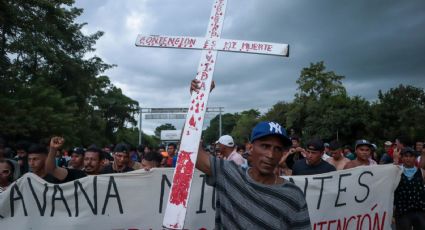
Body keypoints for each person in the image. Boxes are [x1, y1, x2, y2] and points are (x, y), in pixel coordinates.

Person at [196, 121, 311, 229]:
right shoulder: (229, 173)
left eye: (278, 149)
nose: (271, 155)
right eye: (265, 146)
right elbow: (193, 152)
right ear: (250, 148)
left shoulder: (294, 196)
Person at [393, 147, 425, 229]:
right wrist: (395, 160)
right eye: (405, 156)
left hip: (419, 210)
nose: (408, 158)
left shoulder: (422, 172)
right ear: (402, 158)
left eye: (411, 156)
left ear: (415, 158)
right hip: (402, 211)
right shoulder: (396, 171)